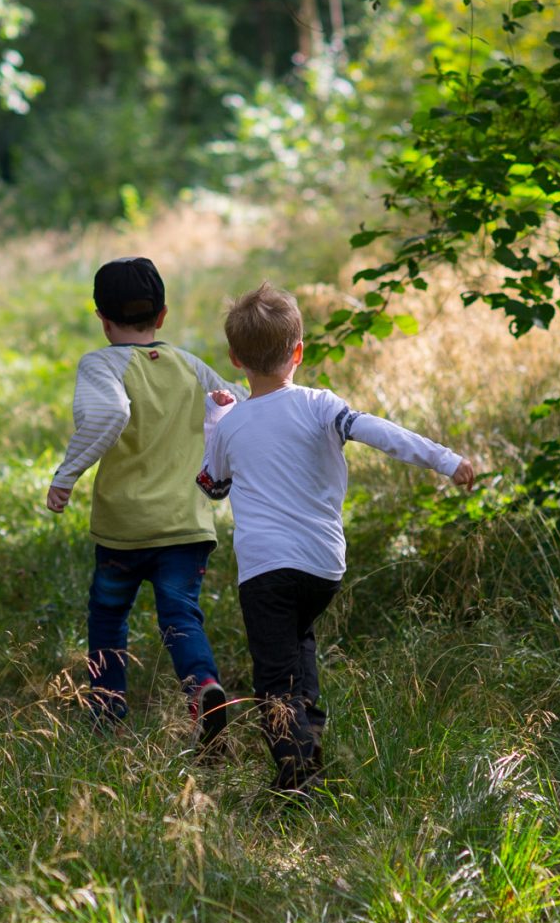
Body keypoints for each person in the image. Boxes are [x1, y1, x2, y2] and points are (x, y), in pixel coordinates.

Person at [197, 283, 476, 798]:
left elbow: (213, 487)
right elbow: (380, 431)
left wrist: (216, 420)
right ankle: (312, 738)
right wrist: (446, 460)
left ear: (236, 359)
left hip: (264, 570)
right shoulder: (322, 406)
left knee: (274, 677)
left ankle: (296, 776)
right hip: (323, 567)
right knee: (298, 645)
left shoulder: (231, 423)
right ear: (298, 352)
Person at [45, 257, 242, 749]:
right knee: (180, 615)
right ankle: (202, 687)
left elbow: (108, 412)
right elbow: (235, 401)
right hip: (186, 524)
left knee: (109, 615)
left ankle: (107, 711)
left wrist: (67, 475)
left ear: (101, 318)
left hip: (124, 526)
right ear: (163, 314)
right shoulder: (190, 365)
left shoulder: (101, 363)